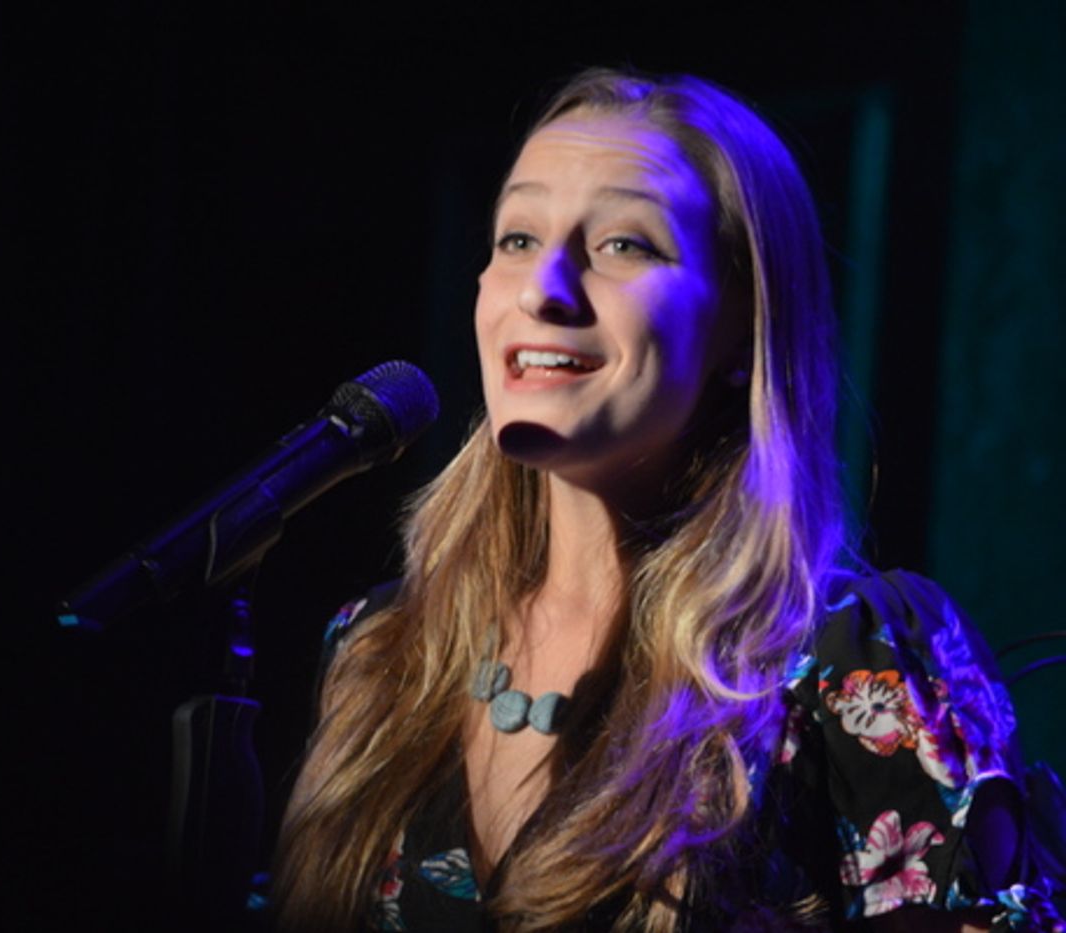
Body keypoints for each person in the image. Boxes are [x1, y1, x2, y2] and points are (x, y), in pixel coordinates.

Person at [270, 68, 1062, 932]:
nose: (544, 289)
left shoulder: (847, 660)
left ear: (742, 326)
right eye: (518, 238)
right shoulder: (380, 652)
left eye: (624, 246)